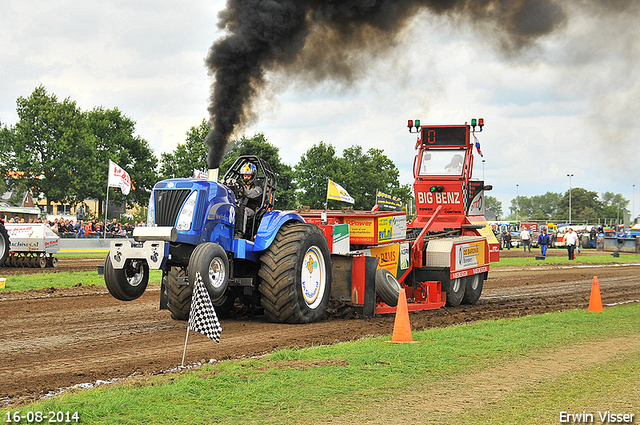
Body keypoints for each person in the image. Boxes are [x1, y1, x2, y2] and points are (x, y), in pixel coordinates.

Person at [232, 162, 262, 239]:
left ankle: (239, 233)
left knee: (243, 210)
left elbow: (250, 194)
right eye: (245, 175)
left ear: (252, 176)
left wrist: (241, 188)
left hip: (252, 210)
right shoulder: (241, 187)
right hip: (239, 206)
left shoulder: (258, 188)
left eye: (248, 176)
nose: (246, 178)